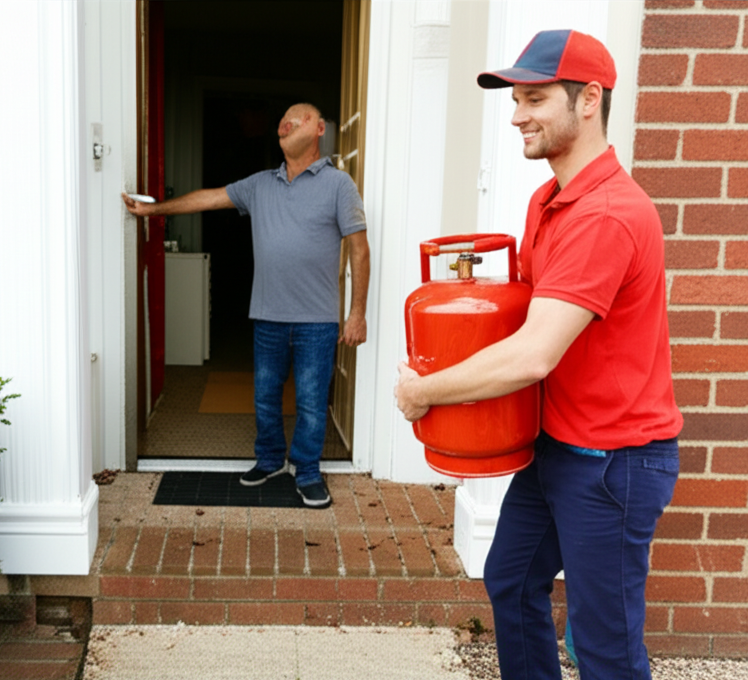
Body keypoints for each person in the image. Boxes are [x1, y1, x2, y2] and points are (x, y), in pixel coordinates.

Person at [394, 30, 682, 680]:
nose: (518, 114)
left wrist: (427, 390)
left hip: (614, 463)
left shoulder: (605, 214)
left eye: (534, 98)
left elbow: (533, 354)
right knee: (510, 579)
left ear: (588, 99)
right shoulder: (548, 201)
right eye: (516, 99)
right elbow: (525, 314)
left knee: (606, 650)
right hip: (557, 444)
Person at [123, 103, 370, 509]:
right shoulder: (260, 184)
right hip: (268, 315)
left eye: (298, 117)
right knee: (265, 396)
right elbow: (209, 198)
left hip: (317, 319)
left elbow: (359, 251)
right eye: (282, 120)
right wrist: (153, 210)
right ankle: (271, 460)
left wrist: (356, 313)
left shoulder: (339, 185)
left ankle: (307, 472)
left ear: (320, 128)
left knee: (310, 401)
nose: (286, 123)